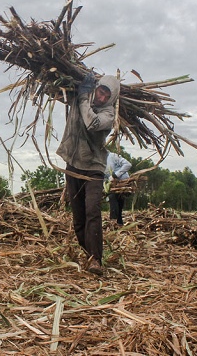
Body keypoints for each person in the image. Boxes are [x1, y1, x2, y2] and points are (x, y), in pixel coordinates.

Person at [56, 73, 120, 276]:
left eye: (106, 96)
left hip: (93, 167)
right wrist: (79, 87)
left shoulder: (109, 114)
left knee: (92, 210)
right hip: (72, 161)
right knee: (78, 216)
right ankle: (87, 254)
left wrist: (84, 98)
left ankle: (95, 260)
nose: (101, 98)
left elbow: (92, 123)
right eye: (101, 91)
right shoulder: (79, 96)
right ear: (96, 88)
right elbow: (60, 90)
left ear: (112, 98)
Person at [105, 151, 132, 226]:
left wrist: (115, 175)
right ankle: (118, 222)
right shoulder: (98, 161)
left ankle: (114, 221)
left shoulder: (113, 156)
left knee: (114, 198)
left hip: (123, 183)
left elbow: (128, 164)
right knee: (115, 198)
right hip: (112, 185)